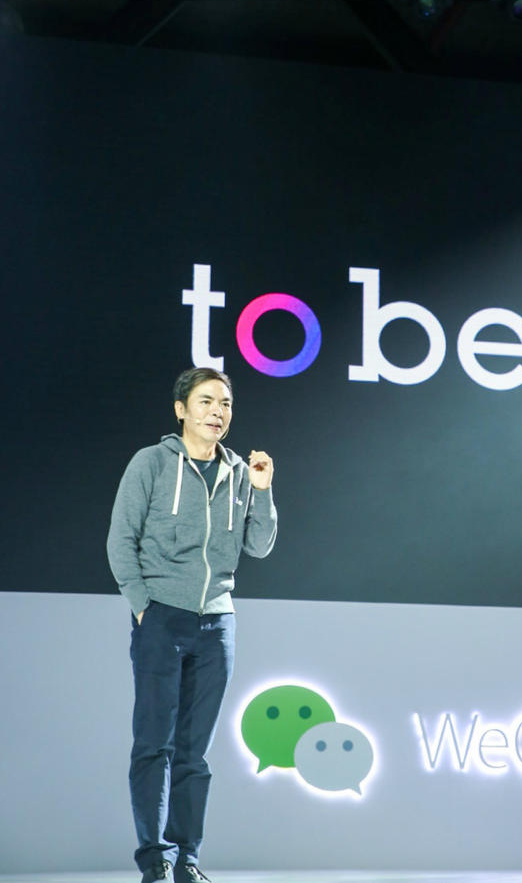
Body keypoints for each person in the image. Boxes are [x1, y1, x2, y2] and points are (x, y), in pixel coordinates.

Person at [107, 367, 277, 883]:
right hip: (162, 617)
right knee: (153, 745)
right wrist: (143, 606)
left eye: (225, 403)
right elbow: (121, 540)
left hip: (217, 624)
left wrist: (263, 490)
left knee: (194, 753)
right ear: (181, 409)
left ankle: (188, 859)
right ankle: (155, 859)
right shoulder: (152, 463)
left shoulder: (240, 472)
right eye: (205, 401)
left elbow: (258, 546)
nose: (217, 412)